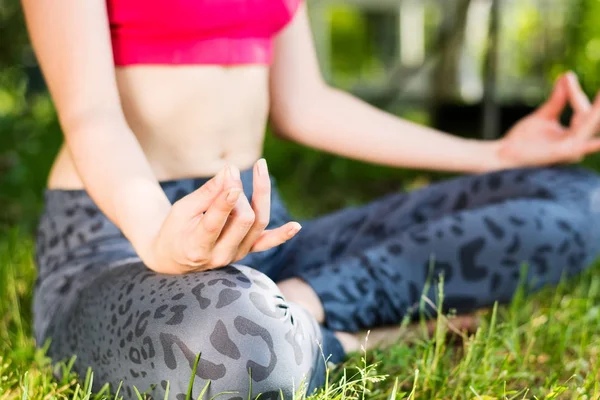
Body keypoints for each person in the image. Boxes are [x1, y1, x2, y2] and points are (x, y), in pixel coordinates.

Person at [21, 0, 600, 397]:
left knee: (578, 203)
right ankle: (336, 334)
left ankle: (302, 302)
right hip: (121, 237)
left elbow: (306, 103)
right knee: (235, 341)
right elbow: (92, 116)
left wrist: (497, 155)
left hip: (260, 233)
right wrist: (157, 237)